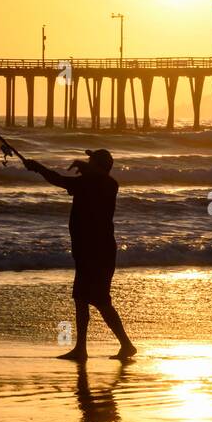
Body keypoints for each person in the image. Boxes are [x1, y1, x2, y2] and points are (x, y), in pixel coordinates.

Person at [22, 148, 136, 361]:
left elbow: (58, 180)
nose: (87, 162)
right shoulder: (107, 184)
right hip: (96, 250)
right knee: (86, 298)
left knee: (97, 300)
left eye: (91, 160)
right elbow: (83, 183)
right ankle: (93, 347)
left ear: (98, 165)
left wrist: (37, 167)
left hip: (93, 251)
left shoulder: (94, 183)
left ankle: (110, 346)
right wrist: (85, 171)